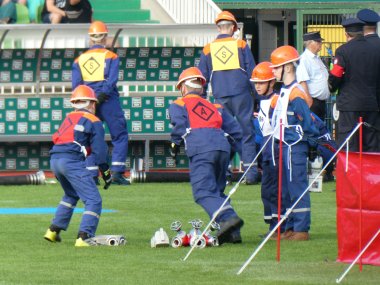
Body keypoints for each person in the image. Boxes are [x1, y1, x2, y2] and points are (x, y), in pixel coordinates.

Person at [169, 67, 244, 245]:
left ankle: (228, 218)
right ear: (201, 88)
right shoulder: (216, 106)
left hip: (201, 147)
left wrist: (175, 144)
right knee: (216, 192)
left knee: (203, 192)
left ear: (183, 88)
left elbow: (179, 126)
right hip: (222, 147)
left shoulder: (178, 104)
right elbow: (236, 132)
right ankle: (233, 233)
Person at [44, 85, 112, 247]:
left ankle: (53, 230)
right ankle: (84, 236)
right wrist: (106, 171)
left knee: (71, 194)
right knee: (93, 200)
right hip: (71, 161)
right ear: (90, 103)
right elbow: (100, 150)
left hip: (55, 160)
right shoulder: (94, 121)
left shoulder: (68, 118)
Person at [198, 10, 259, 184]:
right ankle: (251, 174)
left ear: (219, 28)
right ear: (233, 28)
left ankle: (223, 175)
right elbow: (252, 72)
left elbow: (202, 77)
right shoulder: (240, 45)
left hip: (220, 98)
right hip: (241, 96)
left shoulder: (208, 48)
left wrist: (201, 99)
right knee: (247, 134)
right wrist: (257, 97)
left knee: (222, 135)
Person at [270, 46, 319, 241]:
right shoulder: (285, 90)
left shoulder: (296, 92)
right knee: (287, 188)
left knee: (297, 185)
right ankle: (289, 226)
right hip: (284, 144)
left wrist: (311, 141)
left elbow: (306, 122)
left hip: (294, 145)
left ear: (288, 68)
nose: (273, 71)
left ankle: (301, 228)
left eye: (276, 67)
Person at [72, 21, 130, 185]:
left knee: (88, 137)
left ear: (90, 38)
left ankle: (91, 175)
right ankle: (117, 173)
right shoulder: (112, 56)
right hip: (108, 100)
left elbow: (77, 86)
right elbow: (112, 80)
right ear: (105, 37)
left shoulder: (79, 60)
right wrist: (102, 95)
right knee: (119, 135)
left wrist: (90, 99)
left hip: (87, 103)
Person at [328, 18, 380, 152]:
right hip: (372, 105)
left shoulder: (342, 51)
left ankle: (351, 173)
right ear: (362, 32)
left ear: (347, 34)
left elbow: (336, 75)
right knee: (372, 144)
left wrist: (332, 87)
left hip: (349, 106)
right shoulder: (375, 50)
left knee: (349, 144)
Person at [250, 62, 286, 237]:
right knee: (267, 189)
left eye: (261, 82)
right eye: (255, 83)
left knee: (273, 189)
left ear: (271, 83)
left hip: (275, 149)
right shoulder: (262, 101)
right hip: (266, 148)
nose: (257, 86)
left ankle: (278, 227)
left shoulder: (275, 100)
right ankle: (273, 225)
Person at [296, 31, 330, 120]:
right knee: (313, 129)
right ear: (310, 43)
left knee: (320, 129)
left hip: (320, 102)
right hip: (312, 102)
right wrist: (309, 100)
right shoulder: (304, 59)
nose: (321, 43)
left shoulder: (317, 58)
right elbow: (302, 81)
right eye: (318, 41)